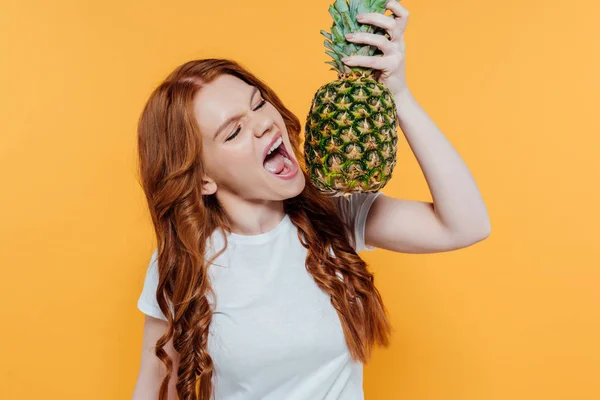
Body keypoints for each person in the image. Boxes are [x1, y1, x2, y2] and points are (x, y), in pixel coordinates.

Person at [132, 3, 490, 400]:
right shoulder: (186, 259)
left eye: (258, 103)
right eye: (233, 132)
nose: (265, 123)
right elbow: (155, 388)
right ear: (202, 179)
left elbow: (467, 224)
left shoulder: (332, 215)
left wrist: (399, 94)